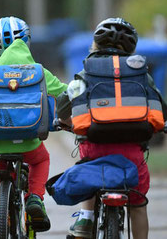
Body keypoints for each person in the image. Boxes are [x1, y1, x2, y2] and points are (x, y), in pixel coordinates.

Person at [58, 18, 167, 239]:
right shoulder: (141, 74)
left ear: (95, 45)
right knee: (138, 205)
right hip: (132, 156)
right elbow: (160, 108)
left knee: (88, 172)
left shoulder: (87, 73)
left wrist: (66, 122)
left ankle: (85, 219)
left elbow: (63, 105)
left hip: (94, 150)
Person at [0, 16, 68, 238]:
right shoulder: (38, 72)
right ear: (27, 40)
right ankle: (35, 199)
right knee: (41, 160)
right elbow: (65, 93)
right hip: (29, 143)